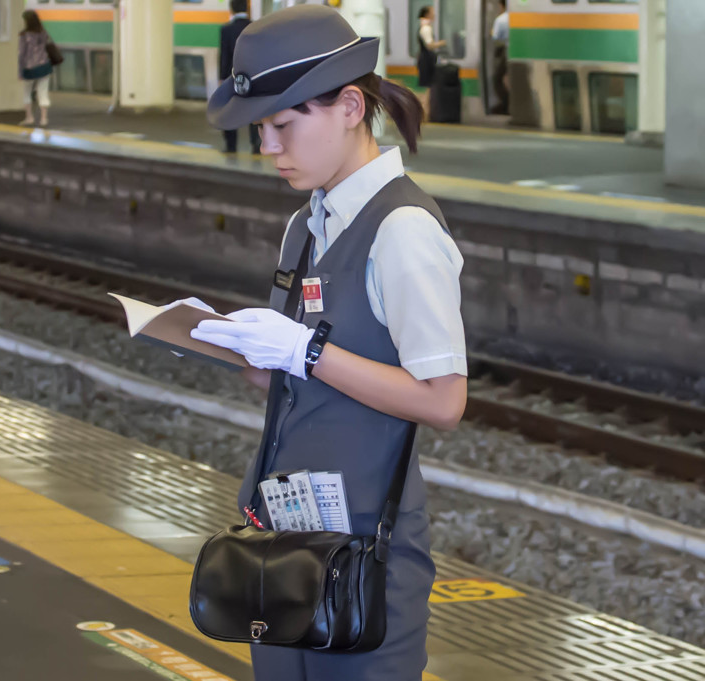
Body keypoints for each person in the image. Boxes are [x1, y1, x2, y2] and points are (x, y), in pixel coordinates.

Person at [186, 5, 468, 680]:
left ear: (349, 106)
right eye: (262, 129)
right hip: (280, 541)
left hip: (365, 552)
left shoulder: (403, 230)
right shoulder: (303, 229)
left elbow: (443, 399)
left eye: (284, 125)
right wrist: (244, 352)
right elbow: (296, 383)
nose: (269, 148)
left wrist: (303, 351)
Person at [219, 0, 261, 154]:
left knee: (231, 110)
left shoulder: (226, 29)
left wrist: (222, 78)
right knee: (252, 110)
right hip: (253, 75)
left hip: (232, 77)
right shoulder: (255, 27)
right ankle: (256, 144)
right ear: (246, 8)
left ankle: (231, 146)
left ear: (231, 9)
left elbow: (224, 56)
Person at [18, 10, 53, 127]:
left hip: (29, 69)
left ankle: (29, 117)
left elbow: (21, 54)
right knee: (43, 93)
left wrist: (20, 71)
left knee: (26, 93)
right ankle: (44, 119)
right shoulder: (43, 33)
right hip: (44, 66)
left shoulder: (24, 35)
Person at [416, 5, 445, 117]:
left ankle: (424, 111)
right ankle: (423, 111)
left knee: (427, 86)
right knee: (427, 87)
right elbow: (429, 45)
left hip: (425, 59)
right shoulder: (426, 28)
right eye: (432, 12)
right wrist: (441, 43)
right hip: (426, 60)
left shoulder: (423, 26)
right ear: (427, 14)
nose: (434, 14)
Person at [490, 0, 510, 115]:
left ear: (501, 5)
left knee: (497, 79)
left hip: (505, 52)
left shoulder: (500, 19)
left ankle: (506, 103)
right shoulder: (515, 17)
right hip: (516, 50)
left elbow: (496, 38)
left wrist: (491, 32)